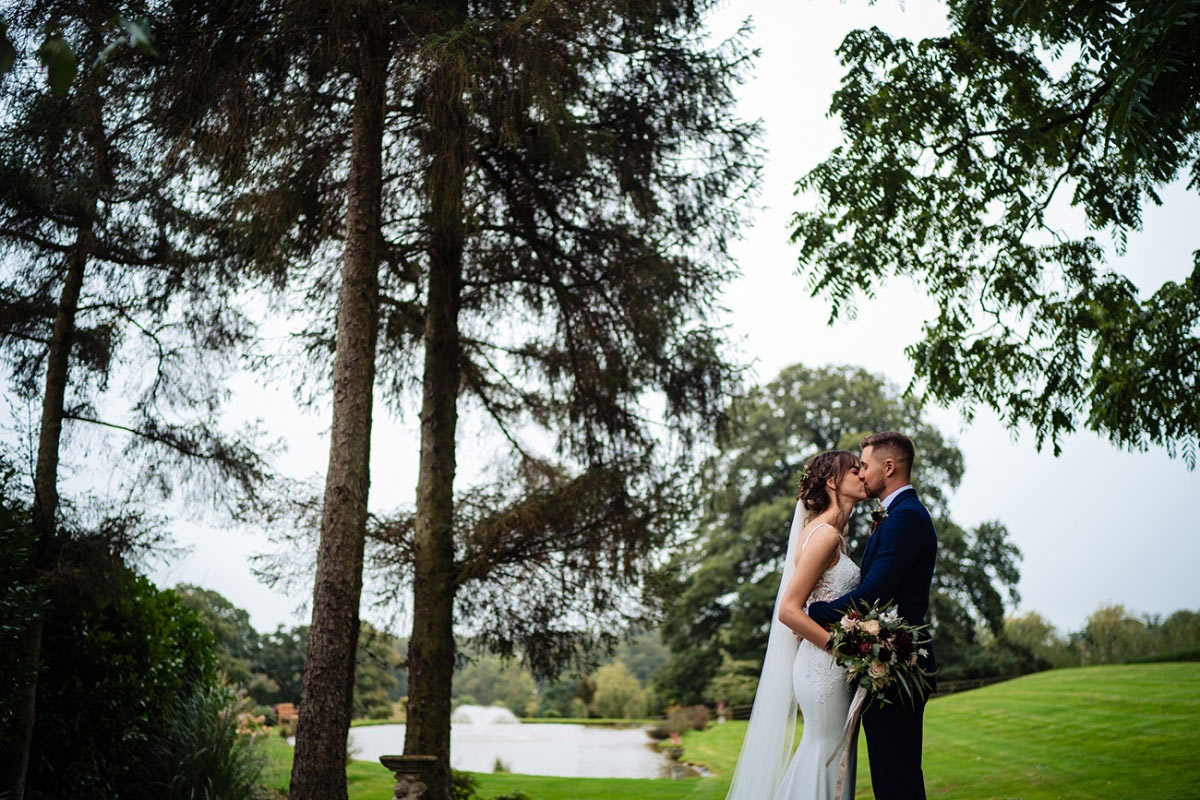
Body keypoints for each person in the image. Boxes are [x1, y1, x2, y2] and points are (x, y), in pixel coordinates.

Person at [725, 449, 868, 800]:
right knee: (826, 752)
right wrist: (843, 649)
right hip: (825, 666)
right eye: (854, 470)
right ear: (833, 482)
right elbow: (789, 611)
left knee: (828, 752)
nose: (863, 475)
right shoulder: (825, 536)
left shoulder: (826, 532)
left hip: (823, 663)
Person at [807, 430, 938, 800]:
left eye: (865, 465)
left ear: (890, 466)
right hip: (887, 666)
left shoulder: (907, 517)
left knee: (897, 782)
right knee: (889, 777)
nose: (862, 473)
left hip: (900, 668)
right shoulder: (895, 515)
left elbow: (872, 595)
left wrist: (814, 611)